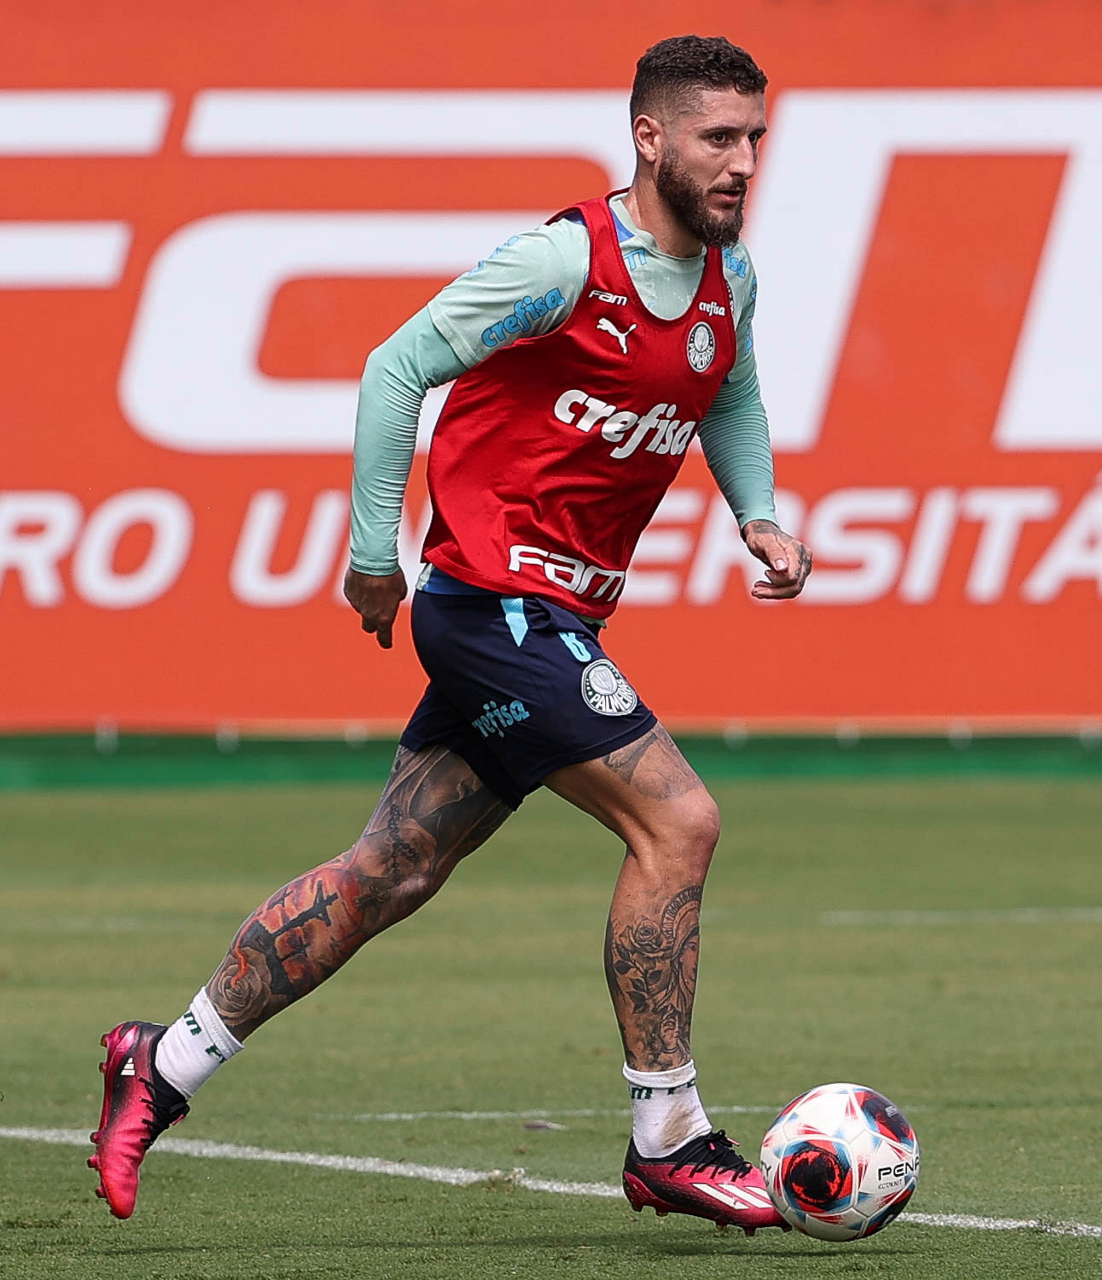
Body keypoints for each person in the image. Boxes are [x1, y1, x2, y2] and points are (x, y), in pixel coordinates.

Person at [89, 34, 812, 1232]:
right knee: (678, 820)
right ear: (649, 138)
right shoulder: (565, 263)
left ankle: (159, 1063)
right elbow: (395, 368)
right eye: (718, 138)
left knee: (391, 868)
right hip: (491, 605)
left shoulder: (727, 279)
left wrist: (760, 513)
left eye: (755, 139)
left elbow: (726, 389)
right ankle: (670, 1137)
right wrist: (373, 557)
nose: (743, 163)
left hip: (552, 615)